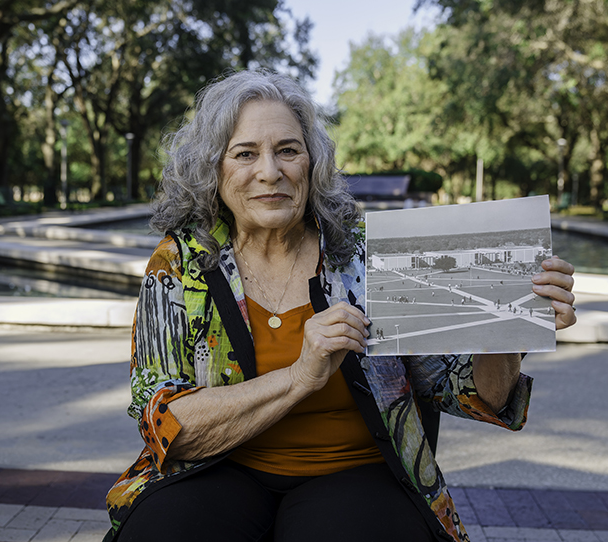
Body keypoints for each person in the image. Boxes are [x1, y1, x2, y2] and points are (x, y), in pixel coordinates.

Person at [104, 70, 577, 542]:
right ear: (214, 169)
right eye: (245, 154)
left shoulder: (368, 255)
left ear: (313, 162)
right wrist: (299, 376)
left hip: (357, 473)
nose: (270, 171)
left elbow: (470, 393)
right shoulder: (179, 263)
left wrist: (510, 325)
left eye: (288, 150)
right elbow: (166, 425)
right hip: (217, 468)